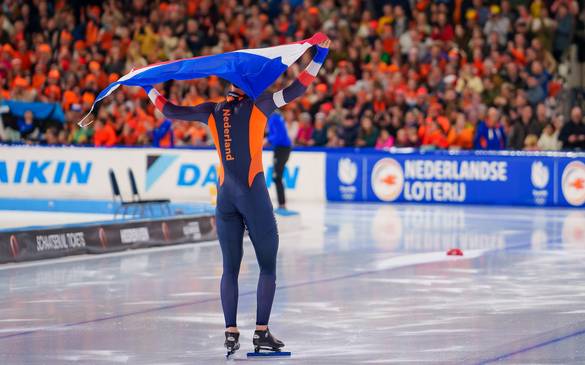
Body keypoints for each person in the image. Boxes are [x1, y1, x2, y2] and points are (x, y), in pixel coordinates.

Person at [143, 38, 330, 356]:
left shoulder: (211, 111)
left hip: (225, 198)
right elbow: (299, 88)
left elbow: (169, 110)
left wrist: (147, 85)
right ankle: (261, 332)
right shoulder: (261, 104)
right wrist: (320, 56)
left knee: (230, 268)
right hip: (252, 193)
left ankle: (230, 333)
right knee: (267, 267)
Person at [266, 111, 292, 212]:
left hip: (281, 149)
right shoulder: (277, 117)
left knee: (277, 177)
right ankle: (282, 203)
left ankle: (282, 204)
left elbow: (278, 136)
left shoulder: (273, 118)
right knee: (277, 177)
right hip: (282, 148)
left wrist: (268, 140)